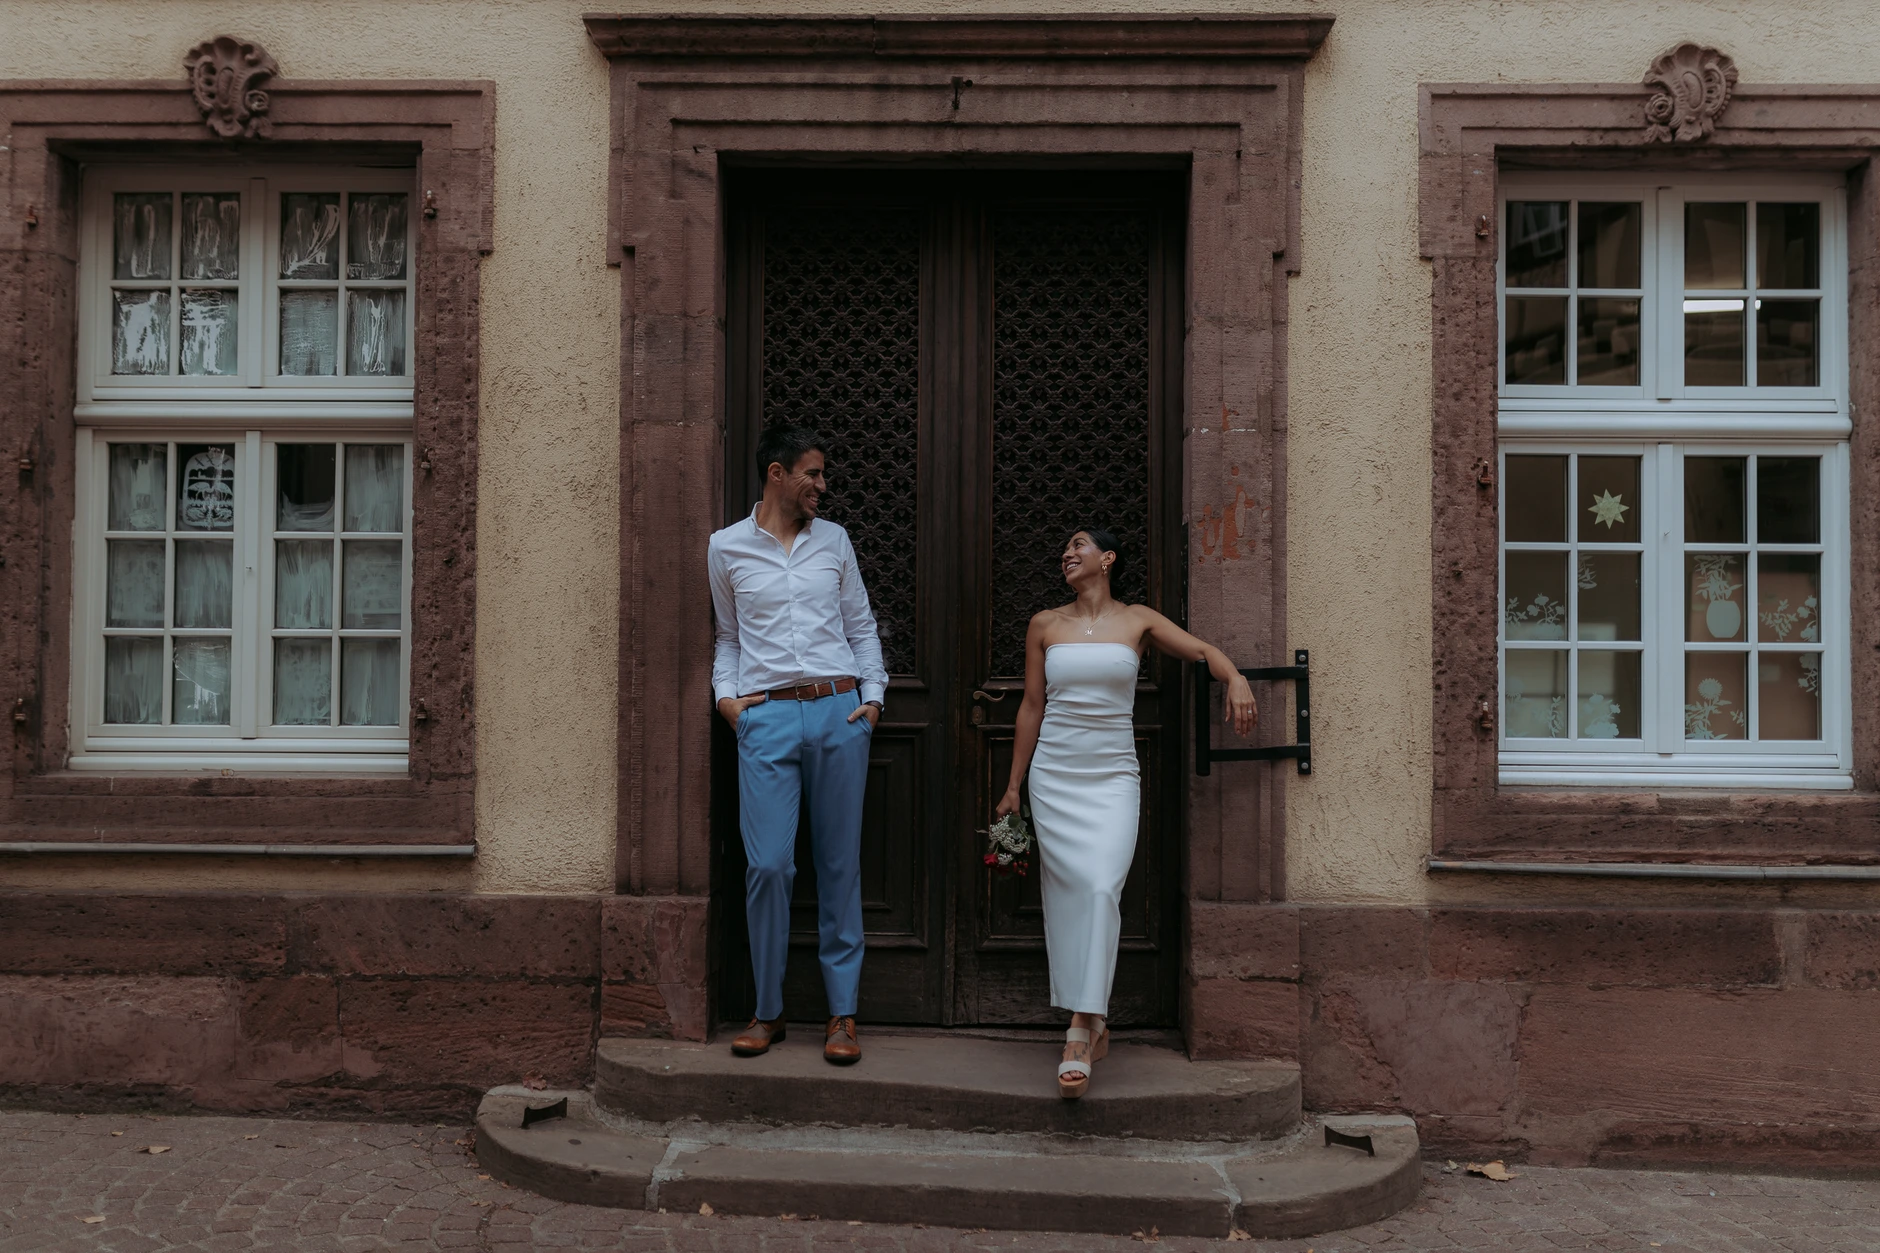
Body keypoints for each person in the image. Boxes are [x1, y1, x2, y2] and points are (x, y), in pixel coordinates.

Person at [995, 527, 1257, 1098]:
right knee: (1069, 895)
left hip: (1113, 777)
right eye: (1065, 548)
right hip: (1055, 776)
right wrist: (1014, 786)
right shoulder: (1045, 624)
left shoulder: (1138, 620)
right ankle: (1088, 1026)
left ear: (1107, 558)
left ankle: (1081, 1026)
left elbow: (1203, 652)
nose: (1067, 553)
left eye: (1079, 544)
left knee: (1100, 888)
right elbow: (1032, 706)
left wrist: (1235, 677)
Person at [709, 425, 887, 1065]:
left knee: (839, 865)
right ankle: (768, 1011)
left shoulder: (834, 540)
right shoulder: (725, 547)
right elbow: (728, 637)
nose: (822, 485)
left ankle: (843, 1014)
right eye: (812, 473)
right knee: (768, 867)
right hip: (766, 718)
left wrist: (873, 699)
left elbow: (860, 626)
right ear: (777, 474)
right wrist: (727, 701)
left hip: (839, 711)